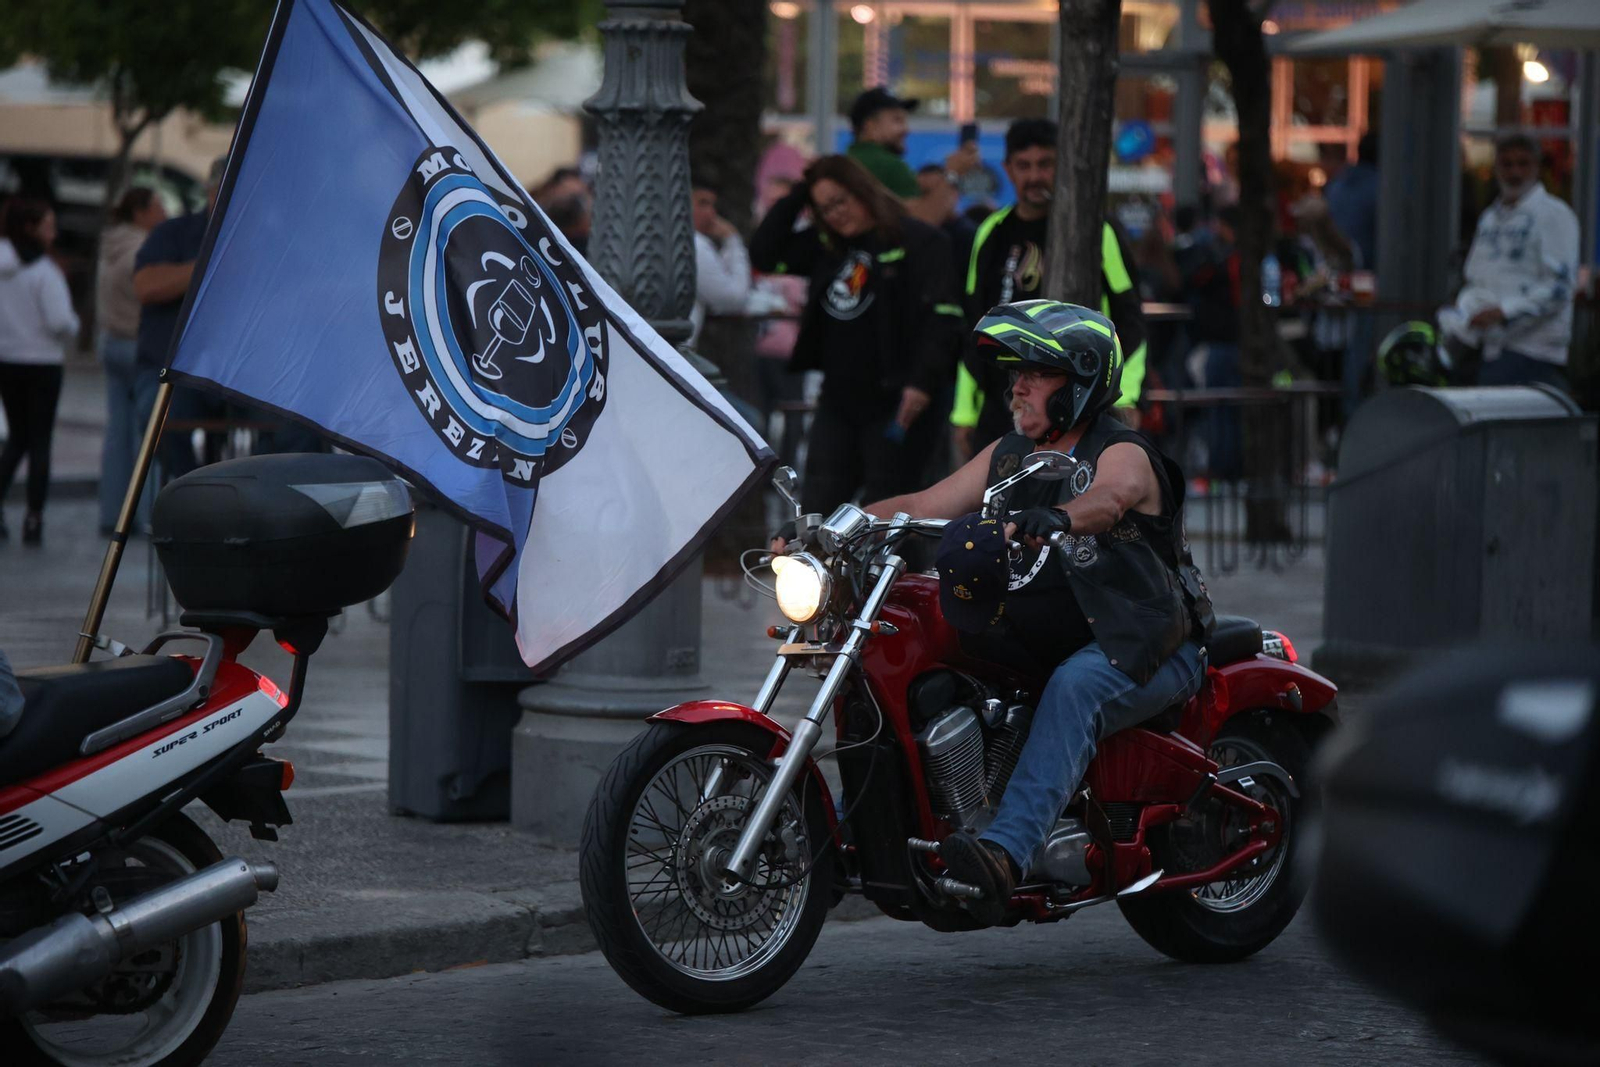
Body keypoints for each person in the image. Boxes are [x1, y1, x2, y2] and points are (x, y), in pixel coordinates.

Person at [774, 300, 1211, 924]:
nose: (1018, 386)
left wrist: (1060, 515)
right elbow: (926, 501)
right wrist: (833, 530)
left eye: (1038, 372)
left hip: (1145, 644)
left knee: (1076, 688)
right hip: (1059, 634)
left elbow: (1110, 500)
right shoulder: (1013, 455)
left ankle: (1004, 855)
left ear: (1081, 380)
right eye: (1016, 372)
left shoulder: (1123, 452)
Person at [749, 153, 963, 514]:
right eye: (824, 208)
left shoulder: (918, 240)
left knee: (887, 513)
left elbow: (945, 318)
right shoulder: (827, 247)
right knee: (819, 509)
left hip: (897, 402)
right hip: (838, 401)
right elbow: (765, 254)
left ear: (862, 191)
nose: (835, 214)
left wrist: (922, 383)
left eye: (840, 201)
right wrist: (803, 190)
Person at [950, 118, 1147, 462]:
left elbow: (1129, 318)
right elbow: (973, 326)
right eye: (1024, 166)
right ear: (1008, 170)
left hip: (1076, 404)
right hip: (1002, 407)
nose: (1034, 176)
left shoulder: (1096, 230)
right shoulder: (990, 233)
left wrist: (1125, 397)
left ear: (1061, 165)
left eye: (1045, 164)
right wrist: (965, 413)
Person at [1439, 132, 1579, 389]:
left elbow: (1559, 288)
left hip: (1533, 351)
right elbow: (1475, 277)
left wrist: (1504, 312)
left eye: (1523, 163)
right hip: (1483, 348)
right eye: (1507, 164)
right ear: (1496, 168)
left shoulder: (1554, 215)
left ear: (1537, 167)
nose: (1515, 172)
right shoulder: (1490, 217)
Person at [0, 197, 79, 544]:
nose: (54, 231)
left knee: (16, 439)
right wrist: (73, 329)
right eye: (48, 224)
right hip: (43, 362)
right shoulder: (45, 273)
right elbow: (61, 321)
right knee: (40, 441)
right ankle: (34, 518)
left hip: (7, 359)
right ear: (31, 228)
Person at [96, 186, 167, 533]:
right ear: (140, 212)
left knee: (116, 434)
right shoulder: (143, 248)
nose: (164, 213)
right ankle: (147, 515)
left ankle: (111, 515)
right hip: (139, 346)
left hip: (111, 341)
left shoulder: (110, 246)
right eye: (157, 205)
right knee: (147, 435)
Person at [845, 86, 979, 225]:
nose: (906, 129)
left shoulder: (852, 158)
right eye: (897, 120)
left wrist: (923, 185)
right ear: (870, 126)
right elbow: (922, 221)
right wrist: (953, 173)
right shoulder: (885, 164)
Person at [689, 177, 752, 347]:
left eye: (712, 206)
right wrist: (733, 240)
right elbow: (734, 298)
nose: (711, 214)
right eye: (702, 204)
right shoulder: (696, 245)